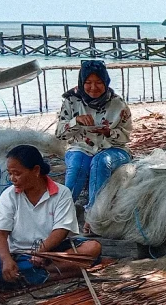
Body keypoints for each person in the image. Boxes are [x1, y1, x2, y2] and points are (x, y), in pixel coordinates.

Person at [0, 145, 102, 286]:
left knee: (93, 248)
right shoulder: (8, 196)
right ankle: (61, 272)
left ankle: (38, 275)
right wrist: (6, 259)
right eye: (9, 173)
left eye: (17, 173)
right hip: (20, 255)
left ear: (36, 170)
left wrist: (40, 252)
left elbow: (61, 231)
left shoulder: (61, 193)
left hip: (53, 252)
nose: (12, 179)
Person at [55, 59, 133, 233]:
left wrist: (109, 133)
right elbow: (60, 134)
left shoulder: (118, 104)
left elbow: (126, 136)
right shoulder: (71, 101)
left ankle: (93, 215)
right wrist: (76, 121)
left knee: (100, 162)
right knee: (77, 165)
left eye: (98, 83)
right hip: (80, 147)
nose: (93, 87)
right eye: (88, 83)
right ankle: (61, 212)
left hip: (114, 149)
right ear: (81, 83)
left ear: (106, 83)